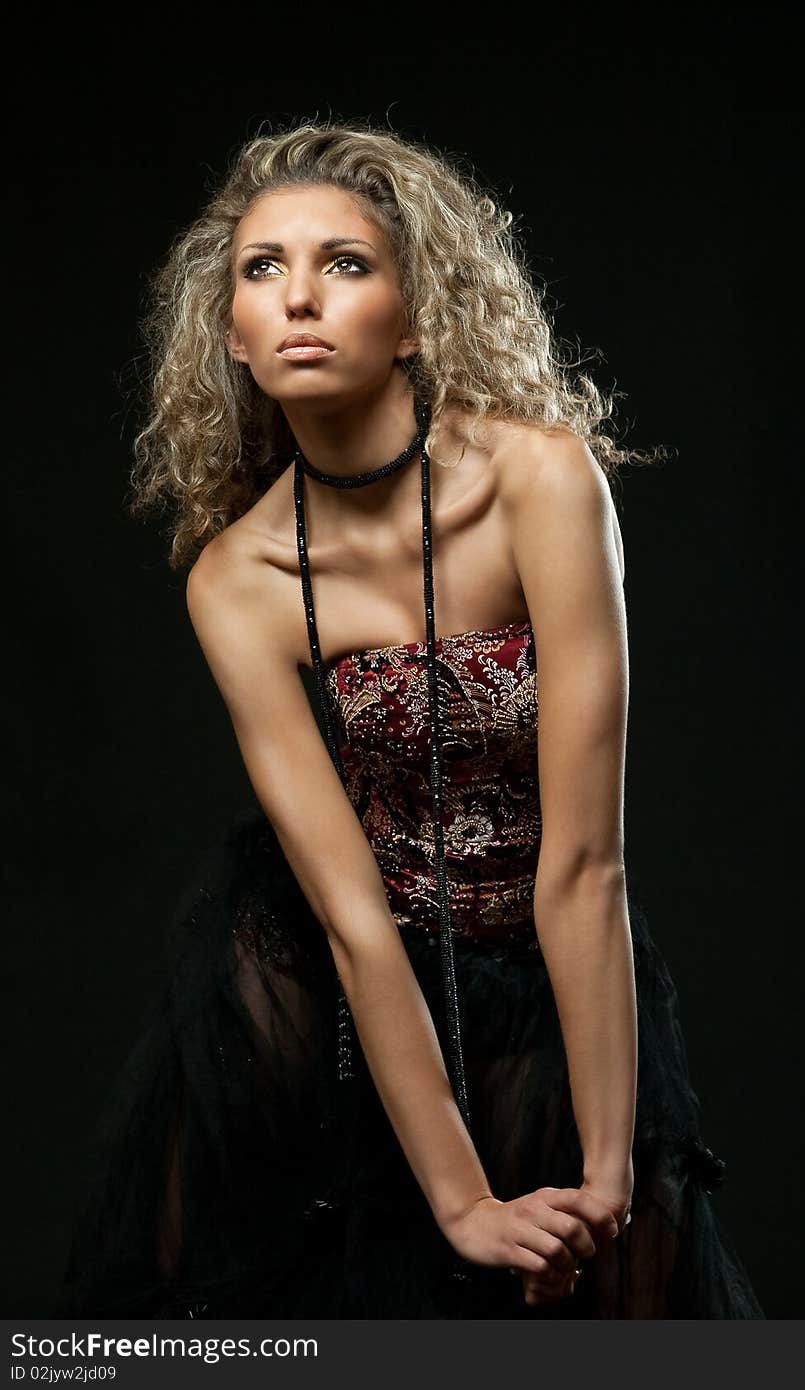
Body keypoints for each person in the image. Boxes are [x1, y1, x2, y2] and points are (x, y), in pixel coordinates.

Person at [55, 120, 765, 1319]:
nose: (298, 300)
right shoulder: (237, 580)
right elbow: (354, 920)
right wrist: (461, 1202)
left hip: (550, 948)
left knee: (625, 1270)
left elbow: (586, 865)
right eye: (262, 270)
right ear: (231, 335)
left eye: (346, 263)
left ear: (419, 313)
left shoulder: (538, 479)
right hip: (339, 975)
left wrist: (603, 1172)